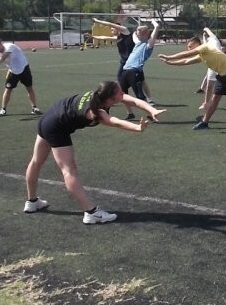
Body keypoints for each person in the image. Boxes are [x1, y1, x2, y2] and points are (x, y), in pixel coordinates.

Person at [23, 80, 165, 224]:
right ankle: (92, 213)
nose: (123, 94)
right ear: (110, 99)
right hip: (56, 127)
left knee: (36, 161)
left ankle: (32, 202)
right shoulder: (95, 112)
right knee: (69, 171)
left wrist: (152, 111)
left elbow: (133, 101)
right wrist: (137, 128)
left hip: (47, 119)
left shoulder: (100, 95)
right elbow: (114, 121)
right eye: (120, 93)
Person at [158, 36, 226, 134]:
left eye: (190, 46)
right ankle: (204, 123)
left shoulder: (205, 47)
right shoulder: (201, 55)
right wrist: (170, 63)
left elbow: (187, 55)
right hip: (221, 75)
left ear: (197, 44)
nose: (189, 48)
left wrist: (168, 57)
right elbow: (186, 61)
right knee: (215, 99)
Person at [92, 17, 155, 105]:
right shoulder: (118, 37)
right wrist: (93, 36)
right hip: (125, 62)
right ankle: (123, 98)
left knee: (138, 81)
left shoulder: (125, 31)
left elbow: (110, 24)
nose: (111, 31)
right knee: (139, 81)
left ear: (117, 28)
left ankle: (147, 99)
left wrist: (98, 21)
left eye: (112, 29)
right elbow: (105, 37)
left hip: (132, 63)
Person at [0, 38, 42, 117]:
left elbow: (3, 57)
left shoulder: (9, 46)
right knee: (8, 90)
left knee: (29, 88)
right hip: (12, 72)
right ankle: (3, 109)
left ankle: (34, 108)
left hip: (24, 68)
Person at [120, 20, 161, 119]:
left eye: (139, 33)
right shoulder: (138, 42)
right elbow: (134, 34)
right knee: (122, 94)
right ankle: (130, 114)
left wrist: (154, 24)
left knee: (140, 96)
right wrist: (139, 28)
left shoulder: (148, 45)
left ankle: (150, 114)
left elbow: (156, 29)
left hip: (134, 71)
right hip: (125, 70)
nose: (137, 34)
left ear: (145, 34)